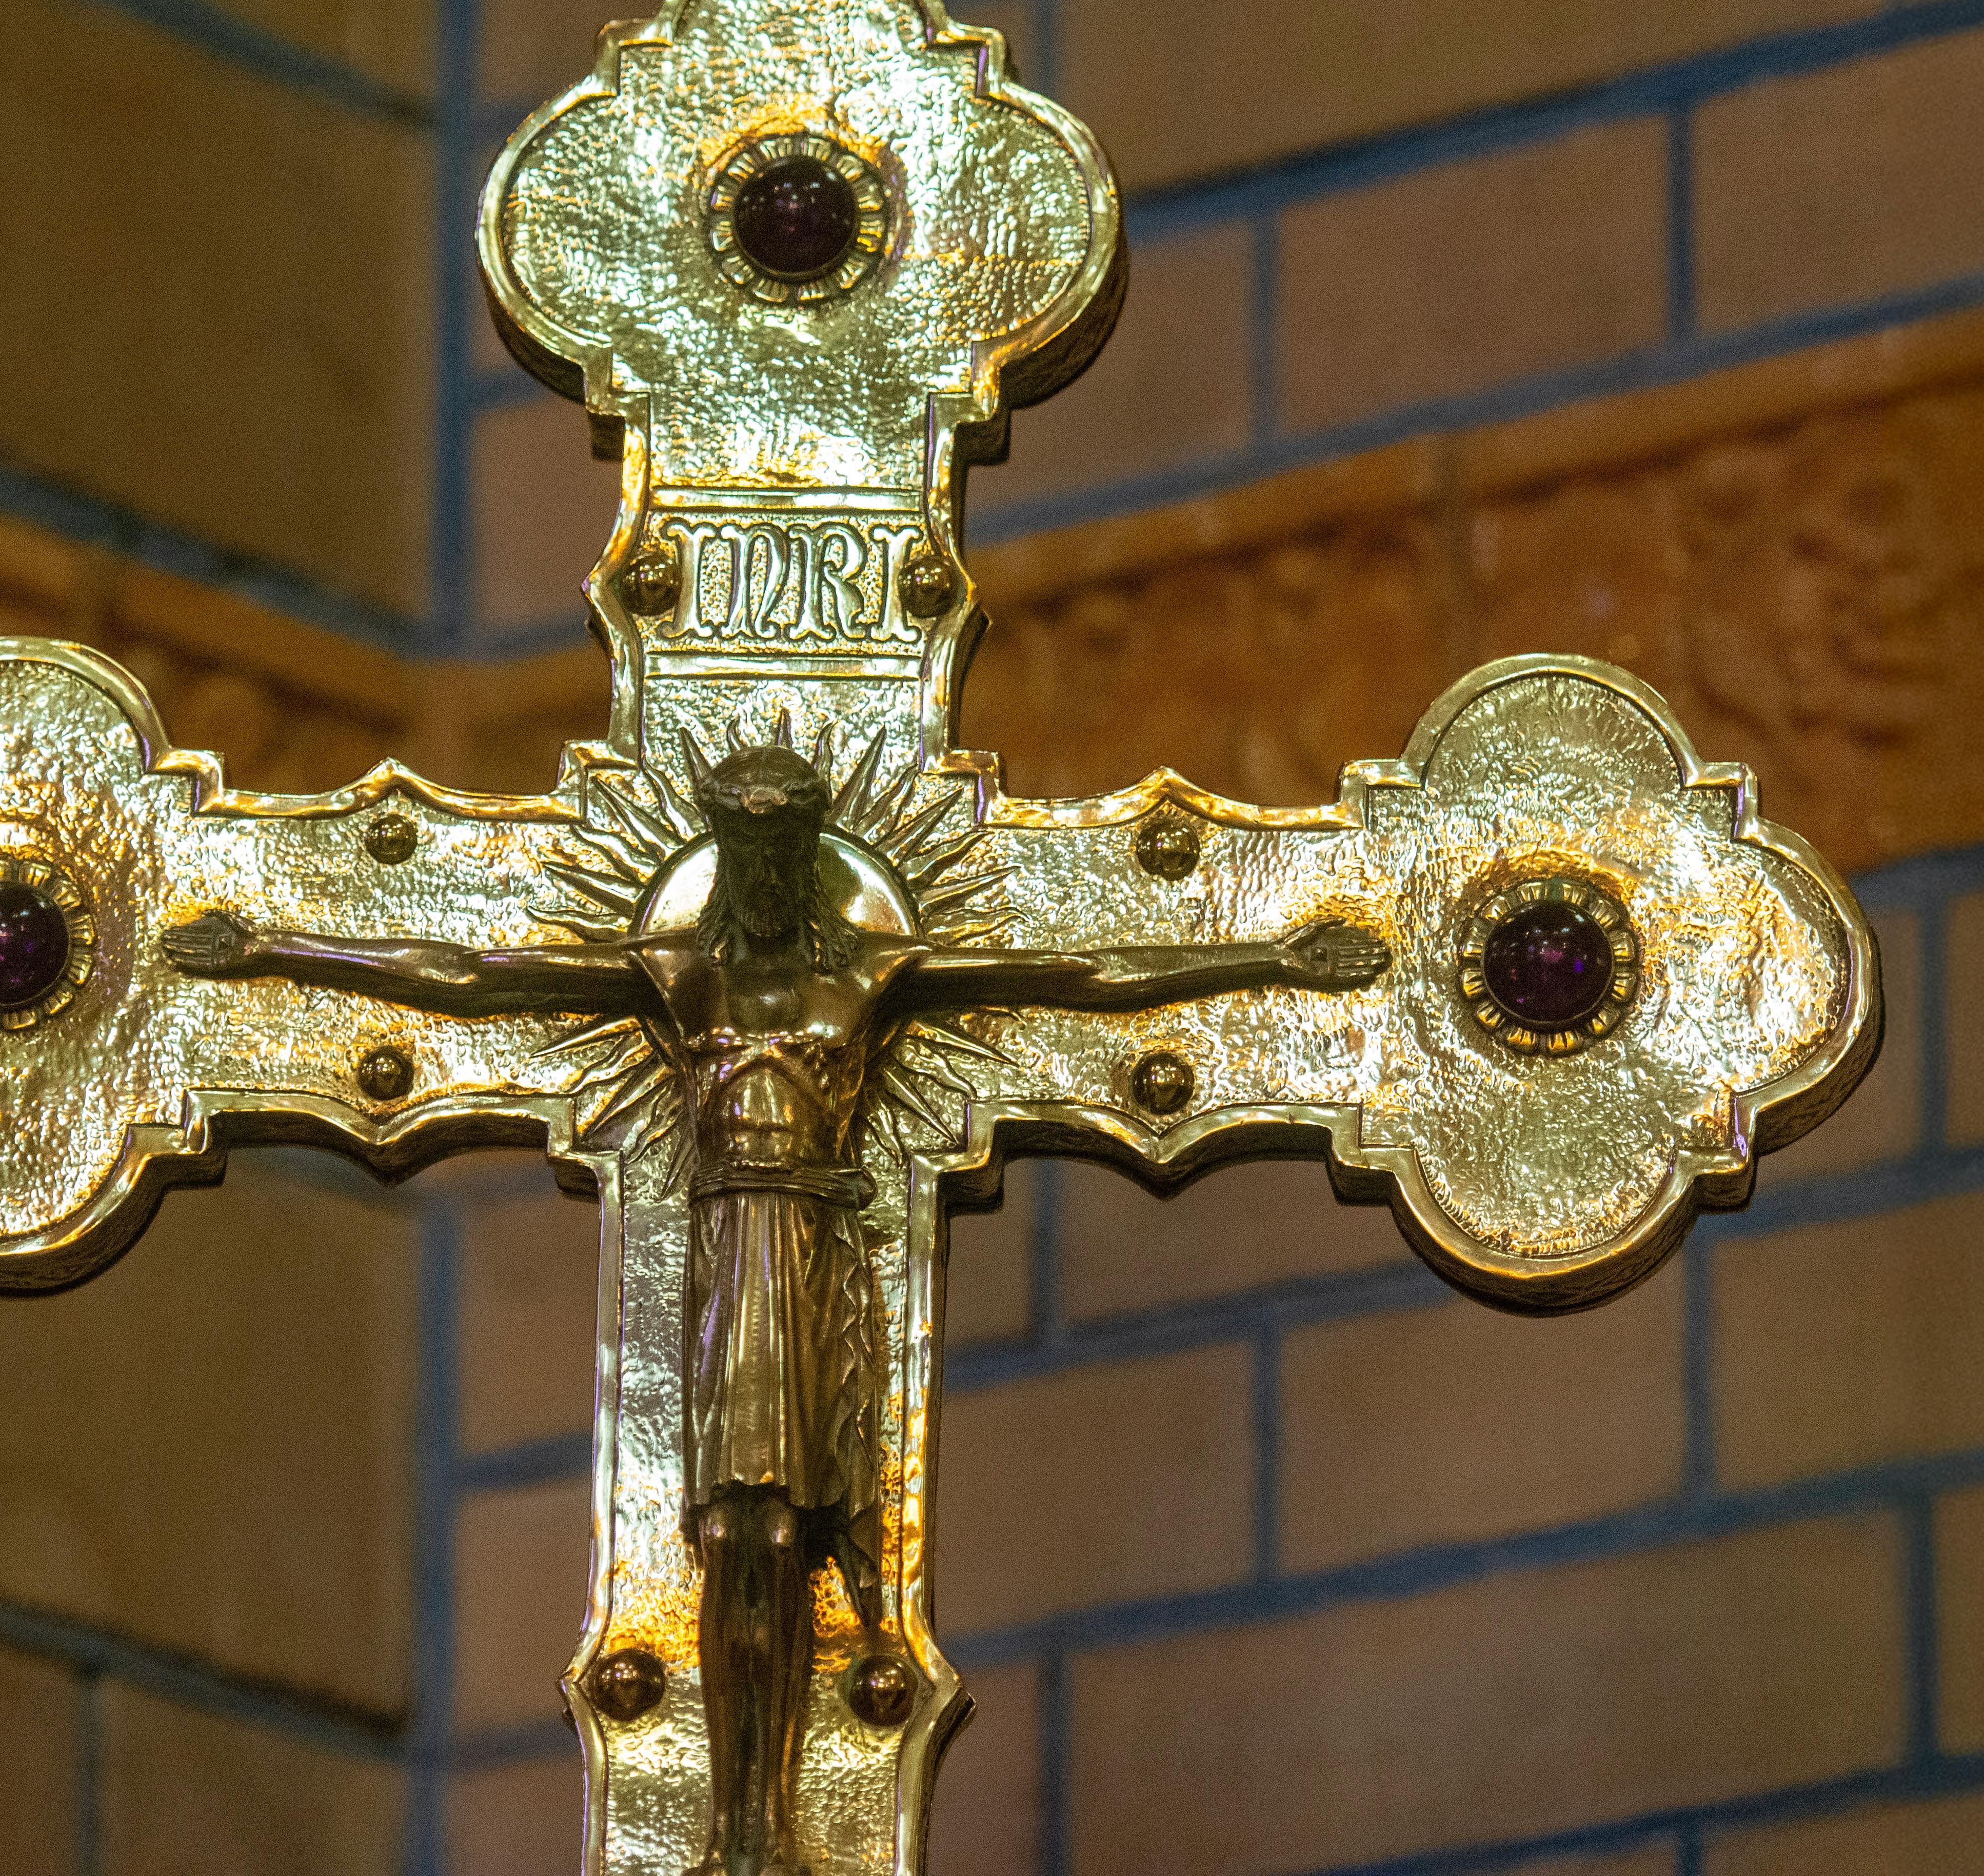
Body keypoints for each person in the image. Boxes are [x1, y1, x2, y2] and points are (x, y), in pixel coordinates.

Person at [165, 745, 1387, 1876]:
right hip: (723, 1248)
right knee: (735, 1535)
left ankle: (769, 1818)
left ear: (803, 858)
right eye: (738, 856)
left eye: (775, 857)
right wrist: (276, 947)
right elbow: (477, 978)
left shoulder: (862, 973)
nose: (754, 881)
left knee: (783, 1533)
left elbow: (1074, 974)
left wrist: (1273, 958)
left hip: (808, 1251)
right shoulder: (679, 973)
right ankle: (742, 1817)